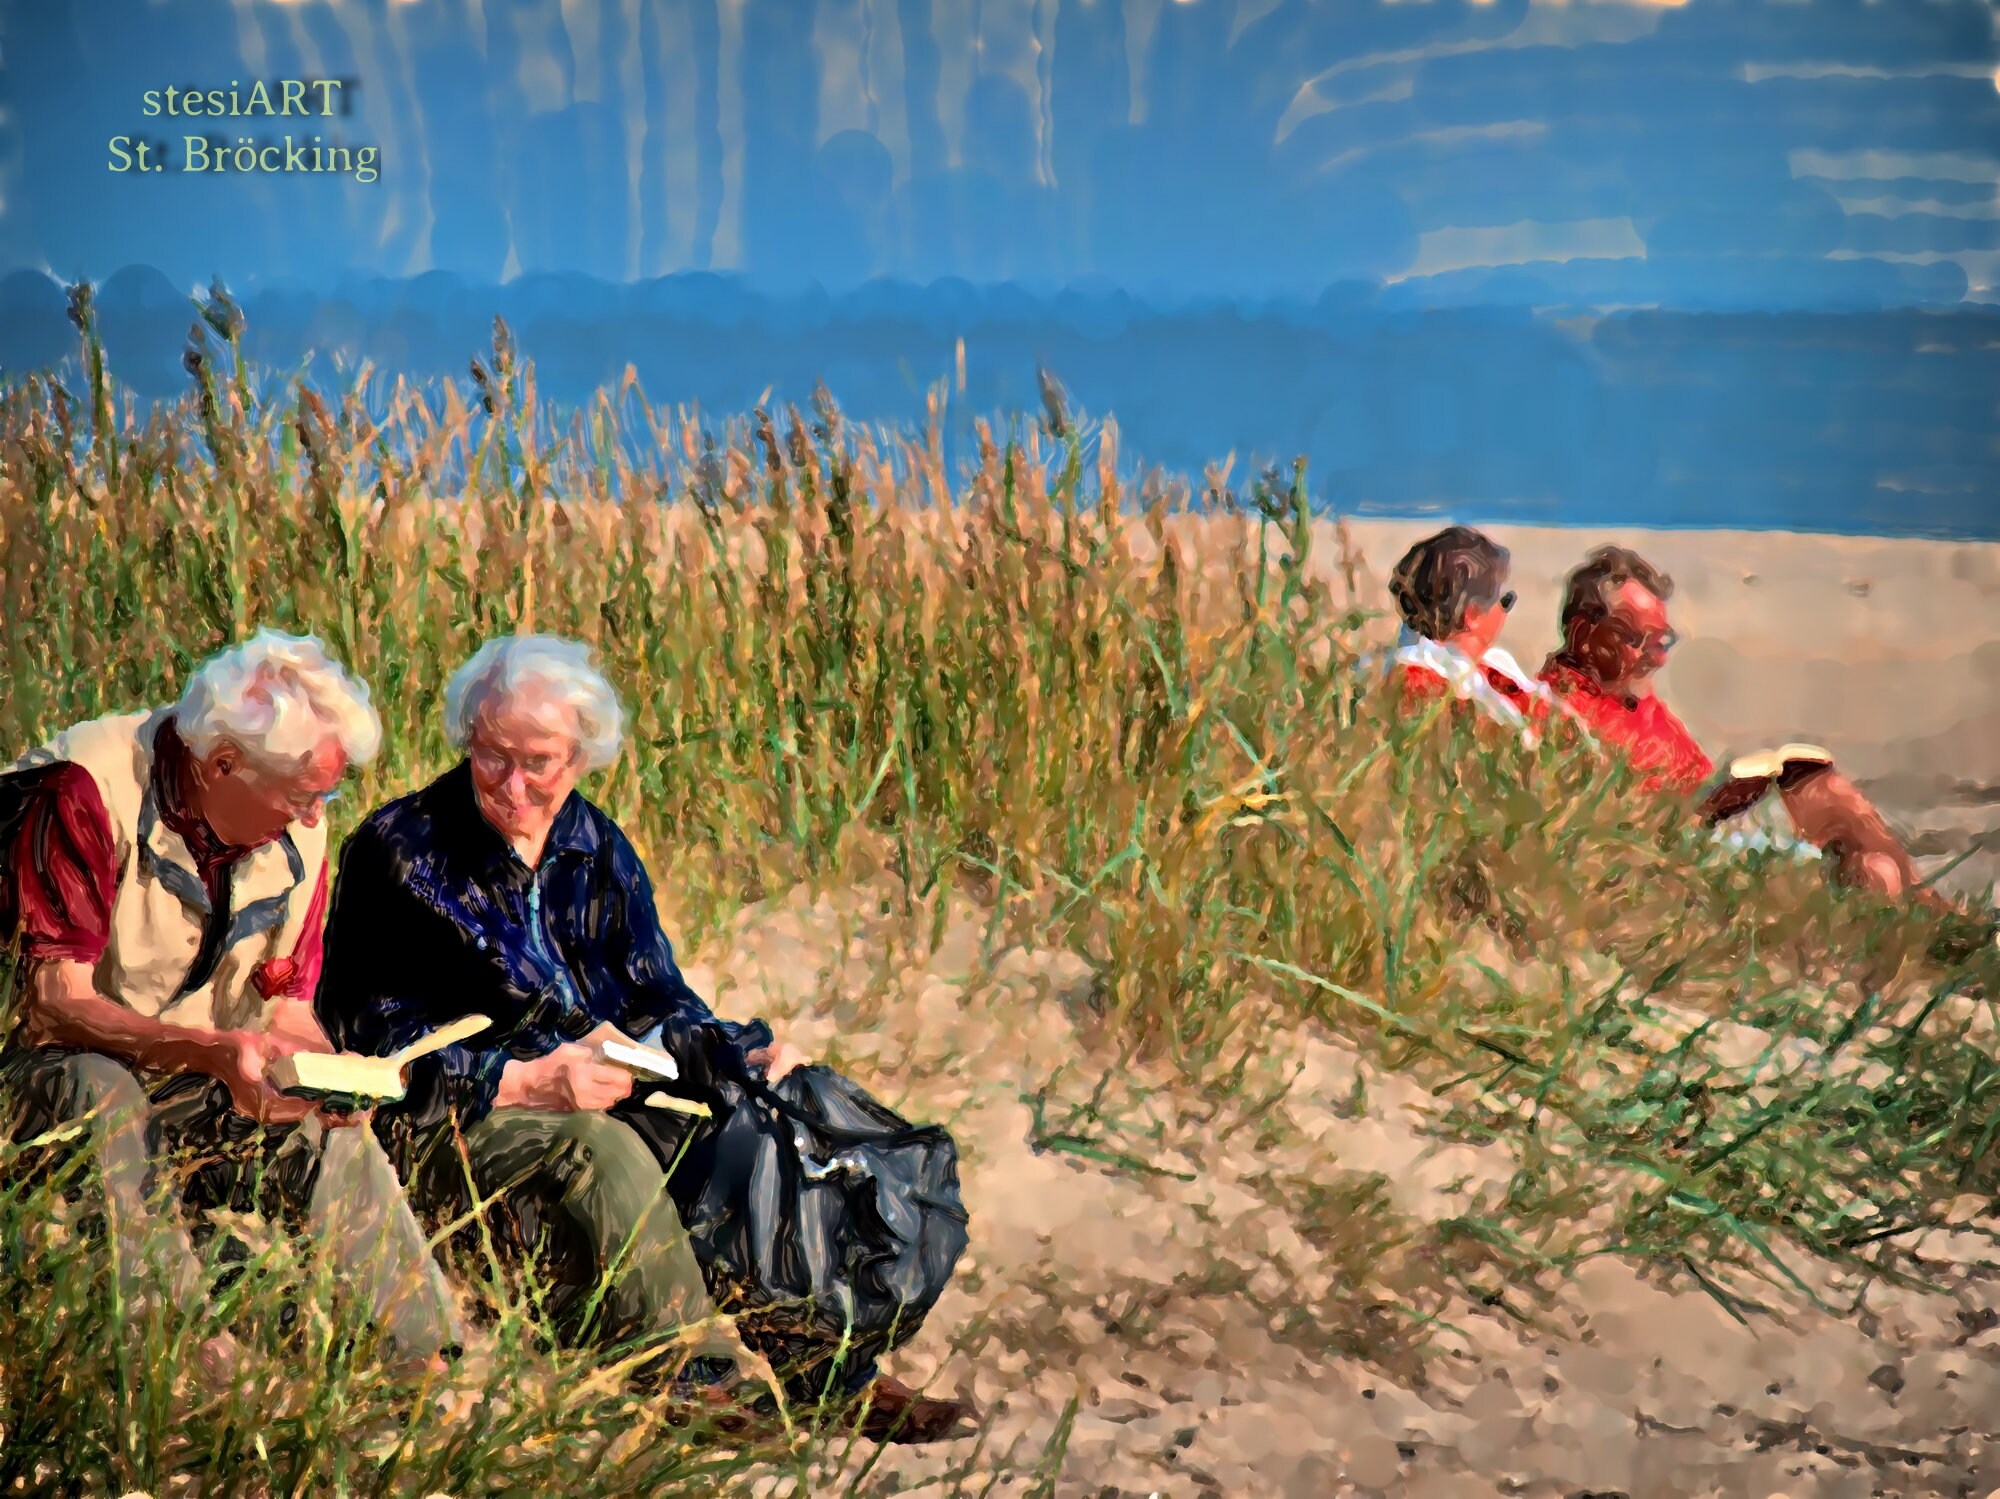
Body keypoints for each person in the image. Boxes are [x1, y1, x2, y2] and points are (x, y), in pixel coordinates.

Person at [313, 634, 975, 1442]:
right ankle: (692, 1375)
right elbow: (372, 1042)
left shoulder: (596, 846)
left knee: (754, 1114)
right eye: (492, 757)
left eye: (539, 762)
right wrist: (525, 1078)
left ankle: (825, 1368)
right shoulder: (402, 850)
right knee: (603, 1145)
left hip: (589, 1083)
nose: (513, 785)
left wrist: (737, 1049)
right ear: (466, 740)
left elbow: (654, 992)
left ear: (583, 758)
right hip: (452, 1115)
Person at [0, 631, 460, 1381]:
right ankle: (173, 1344)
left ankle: (423, 1350)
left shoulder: (296, 830)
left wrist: (320, 1066)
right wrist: (213, 1053)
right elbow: (51, 1007)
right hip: (36, 1078)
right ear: (223, 765)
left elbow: (284, 1004)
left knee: (324, 1116)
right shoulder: (83, 788)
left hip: (185, 1069)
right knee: (101, 1089)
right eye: (306, 793)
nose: (317, 813)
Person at [1537, 545, 1945, 906]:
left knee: (1830, 800)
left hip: (1722, 827)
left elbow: (1690, 775)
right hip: (1690, 854)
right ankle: (1937, 929)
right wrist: (1707, 810)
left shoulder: (1629, 694)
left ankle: (1938, 922)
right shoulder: (1562, 712)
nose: (1655, 658)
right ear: (1583, 633)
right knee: (1877, 873)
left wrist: (1729, 794)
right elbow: (1623, 825)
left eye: (1661, 640)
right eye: (1635, 639)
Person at [1384, 525, 1557, 743]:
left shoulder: (1488, 667)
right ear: (1473, 615)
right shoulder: (1419, 678)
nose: (1505, 613)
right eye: (1505, 601)